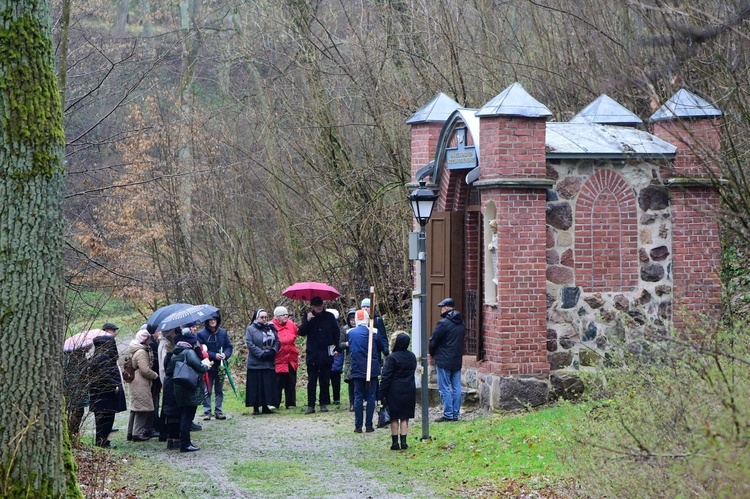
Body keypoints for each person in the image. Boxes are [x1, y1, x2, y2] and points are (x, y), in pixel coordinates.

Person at [166, 329, 211, 452]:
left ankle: (184, 441)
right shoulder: (188, 353)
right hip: (190, 388)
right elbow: (201, 367)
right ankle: (185, 443)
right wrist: (207, 365)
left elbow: (169, 370)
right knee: (188, 417)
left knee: (183, 415)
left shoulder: (175, 353)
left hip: (179, 388)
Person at [298, 296, 339, 414]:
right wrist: (307, 321)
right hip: (313, 354)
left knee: (325, 380)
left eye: (320, 304)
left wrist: (337, 348)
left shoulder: (329, 317)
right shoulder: (308, 316)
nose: (319, 306)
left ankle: (323, 403)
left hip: (327, 352)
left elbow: (336, 333)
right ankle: (311, 405)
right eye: (316, 305)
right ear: (312, 306)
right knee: (312, 380)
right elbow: (301, 332)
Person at [428, 297, 465, 423]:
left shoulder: (443, 323)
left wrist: (432, 353)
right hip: (456, 358)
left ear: (445, 308)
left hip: (444, 359)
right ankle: (455, 413)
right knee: (456, 387)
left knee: (444, 388)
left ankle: (448, 414)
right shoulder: (461, 323)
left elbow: (434, 341)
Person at [379, 332, 417, 450]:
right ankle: (404, 441)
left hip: (394, 389)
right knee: (405, 417)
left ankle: (395, 442)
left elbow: (386, 376)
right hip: (409, 388)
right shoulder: (412, 356)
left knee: (394, 417)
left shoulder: (392, 358)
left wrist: (381, 393)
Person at [348, 309, 383, 433]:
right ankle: (368, 425)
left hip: (357, 368)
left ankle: (358, 426)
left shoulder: (351, 333)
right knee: (371, 397)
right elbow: (381, 347)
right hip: (371, 368)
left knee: (358, 397)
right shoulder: (373, 332)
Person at [88, 335, 127, 448]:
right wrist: (113, 385)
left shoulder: (97, 357)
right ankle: (102, 441)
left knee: (102, 419)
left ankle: (102, 440)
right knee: (105, 419)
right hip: (106, 394)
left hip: (100, 394)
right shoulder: (103, 357)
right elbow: (104, 374)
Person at [197, 312, 233, 421]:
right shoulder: (201, 334)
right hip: (207, 366)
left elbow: (229, 347)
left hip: (221, 366)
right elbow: (200, 350)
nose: (213, 321)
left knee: (219, 389)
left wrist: (225, 355)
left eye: (214, 319)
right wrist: (213, 355)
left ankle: (219, 411)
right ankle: (207, 411)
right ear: (207, 321)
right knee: (207, 389)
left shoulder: (223, 333)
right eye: (210, 320)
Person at [245, 309, 280, 415]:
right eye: (262, 317)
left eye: (266, 317)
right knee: (256, 386)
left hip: (268, 362)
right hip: (255, 363)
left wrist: (273, 351)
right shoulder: (250, 329)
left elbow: (278, 341)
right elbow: (249, 343)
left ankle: (266, 406)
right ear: (257, 318)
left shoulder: (271, 328)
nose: (264, 319)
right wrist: (261, 354)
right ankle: (256, 407)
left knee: (267, 385)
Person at [126, 329, 159, 441]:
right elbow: (144, 370)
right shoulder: (141, 352)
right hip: (141, 382)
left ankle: (130, 432)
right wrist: (155, 375)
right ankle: (137, 433)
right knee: (142, 408)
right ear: (145, 339)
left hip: (135, 381)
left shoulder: (134, 349)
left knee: (135, 408)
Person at [360, 298, 389, 404]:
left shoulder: (377, 320)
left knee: (374, 374)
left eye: (367, 306)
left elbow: (383, 336)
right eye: (363, 306)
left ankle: (376, 396)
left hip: (375, 351)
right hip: (363, 351)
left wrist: (385, 349)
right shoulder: (360, 320)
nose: (365, 308)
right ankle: (365, 397)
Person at [272, 306, 299, 409]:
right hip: (278, 358)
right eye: (283, 315)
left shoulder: (291, 324)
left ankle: (291, 403)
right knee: (277, 383)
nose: (285, 316)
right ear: (276, 317)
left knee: (291, 382)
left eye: (286, 314)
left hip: (291, 357)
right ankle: (275, 403)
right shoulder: (271, 326)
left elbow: (295, 335)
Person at [63, 347, 90, 441]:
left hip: (75, 388)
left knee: (76, 410)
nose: (90, 346)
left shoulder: (72, 356)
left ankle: (74, 432)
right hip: (76, 388)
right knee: (77, 410)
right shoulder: (76, 357)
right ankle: (73, 432)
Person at [340, 308, 357, 411]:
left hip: (360, 357)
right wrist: (346, 344)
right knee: (351, 381)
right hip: (349, 358)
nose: (353, 321)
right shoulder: (345, 329)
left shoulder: (362, 329)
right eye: (351, 319)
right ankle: (352, 403)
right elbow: (340, 343)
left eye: (354, 319)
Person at [328, 308, 343, 405]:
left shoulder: (336, 328)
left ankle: (335, 398)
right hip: (332, 352)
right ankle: (335, 397)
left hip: (335, 352)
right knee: (334, 376)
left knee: (334, 375)